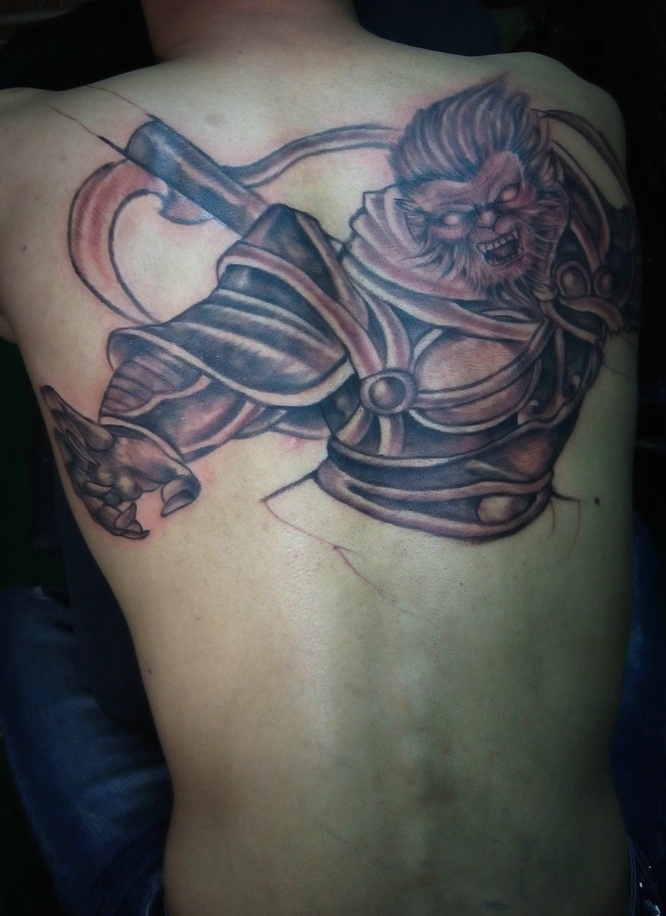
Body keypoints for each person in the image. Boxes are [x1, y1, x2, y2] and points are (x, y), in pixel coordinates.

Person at [0, 0, 655, 913]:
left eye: (507, 201)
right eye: (461, 212)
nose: (492, 224)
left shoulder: (17, 145)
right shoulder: (572, 106)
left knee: (24, 622)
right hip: (595, 895)